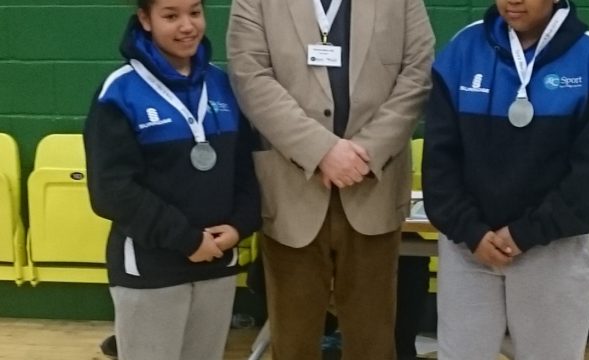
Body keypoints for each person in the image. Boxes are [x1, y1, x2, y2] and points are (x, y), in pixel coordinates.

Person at [226, 0, 435, 358]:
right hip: (292, 190)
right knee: (292, 343)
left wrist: (364, 154)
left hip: (373, 186)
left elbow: (418, 73)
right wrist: (321, 152)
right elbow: (250, 76)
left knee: (374, 342)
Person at [422, 0, 589, 359]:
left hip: (552, 249)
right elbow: (439, 161)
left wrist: (526, 233)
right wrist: (471, 230)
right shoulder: (462, 52)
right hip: (471, 249)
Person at [83, 0, 261, 359]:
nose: (187, 26)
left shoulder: (223, 85)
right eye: (170, 15)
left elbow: (248, 172)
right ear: (145, 19)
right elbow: (111, 191)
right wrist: (187, 239)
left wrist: (240, 226)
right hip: (150, 270)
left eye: (195, 13)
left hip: (217, 261)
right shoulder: (119, 92)